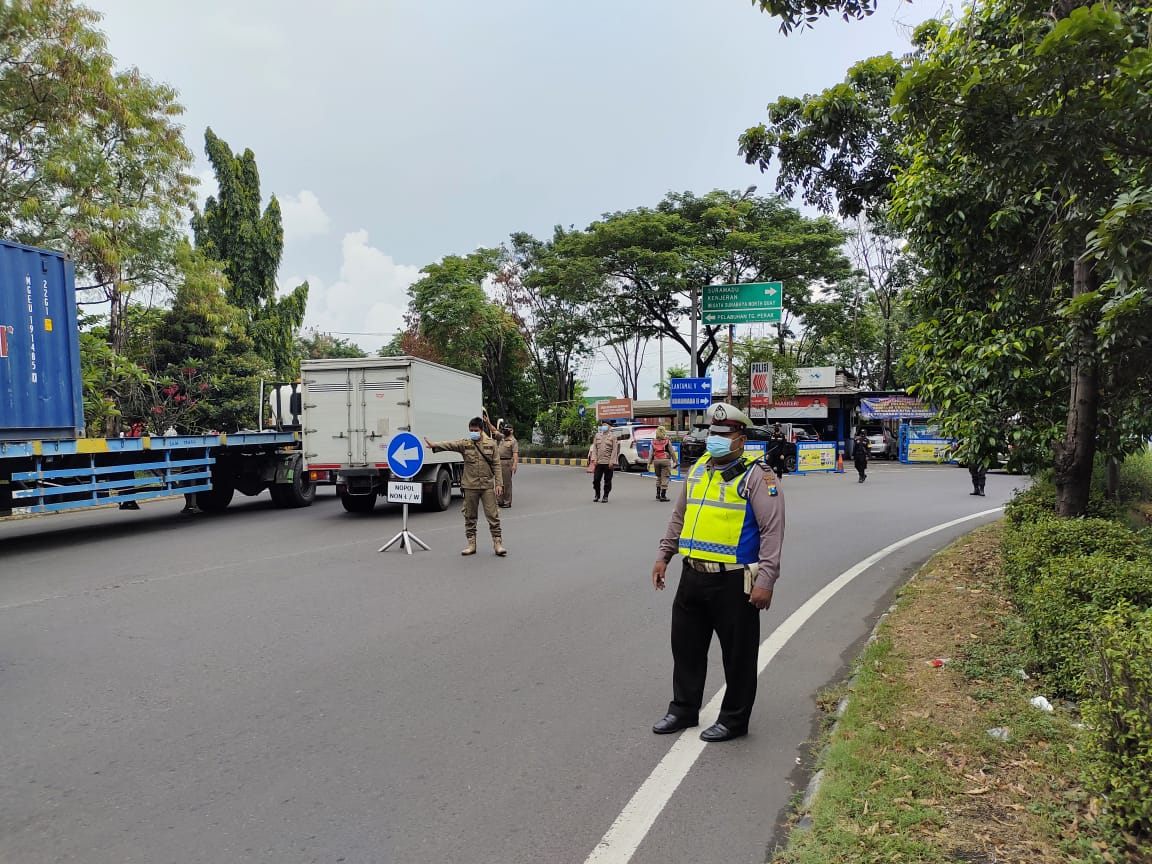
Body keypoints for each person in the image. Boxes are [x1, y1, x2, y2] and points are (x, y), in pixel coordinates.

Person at [650, 402, 785, 743]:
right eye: (713, 433)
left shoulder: (759, 477)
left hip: (734, 581)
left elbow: (772, 532)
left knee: (737, 656)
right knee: (685, 648)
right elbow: (679, 517)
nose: (716, 439)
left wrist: (766, 581)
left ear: (741, 439)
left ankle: (734, 720)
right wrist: (664, 554)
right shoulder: (698, 469)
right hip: (692, 574)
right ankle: (683, 709)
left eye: (725, 434)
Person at [425, 417, 507, 556]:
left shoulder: (491, 444)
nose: (473, 433)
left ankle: (497, 543)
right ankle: (471, 544)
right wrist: (435, 445)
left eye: (476, 430)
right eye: (471, 430)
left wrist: (499, 483)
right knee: (470, 516)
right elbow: (451, 444)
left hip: (487, 485)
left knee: (493, 515)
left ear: (482, 430)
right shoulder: (465, 444)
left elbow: (497, 465)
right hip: (470, 486)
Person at [588, 422, 620, 503]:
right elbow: (594, 448)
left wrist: (612, 462)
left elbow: (614, 450)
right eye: (603, 425)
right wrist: (594, 459)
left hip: (608, 462)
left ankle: (605, 496)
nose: (604, 426)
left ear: (610, 427)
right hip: (598, 462)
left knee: (607, 480)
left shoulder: (613, 437)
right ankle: (597, 494)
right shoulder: (597, 436)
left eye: (606, 425)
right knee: (596, 480)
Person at [649, 426, 677, 501]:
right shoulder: (667, 441)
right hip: (665, 460)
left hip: (656, 461)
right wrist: (675, 461)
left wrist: (649, 463)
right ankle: (663, 496)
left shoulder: (653, 442)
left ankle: (657, 494)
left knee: (659, 477)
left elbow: (651, 453)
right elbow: (671, 452)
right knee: (665, 477)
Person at [495, 421, 519, 508]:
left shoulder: (513, 441)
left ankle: (507, 501)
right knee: (499, 482)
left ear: (511, 431)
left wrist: (514, 465)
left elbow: (515, 454)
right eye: (504, 429)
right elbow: (494, 431)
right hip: (498, 462)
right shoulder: (502, 437)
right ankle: (499, 500)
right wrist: (488, 422)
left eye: (507, 429)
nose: (505, 431)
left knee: (506, 483)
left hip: (507, 463)